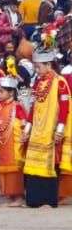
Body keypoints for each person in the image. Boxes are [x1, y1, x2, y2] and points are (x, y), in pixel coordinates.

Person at [22, 35, 69, 209]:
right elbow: (33, 107)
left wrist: (60, 129)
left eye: (38, 66)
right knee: (33, 163)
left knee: (50, 164)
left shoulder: (60, 83)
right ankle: (34, 200)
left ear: (49, 65)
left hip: (50, 129)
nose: (36, 69)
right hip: (36, 131)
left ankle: (48, 200)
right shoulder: (38, 83)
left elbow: (65, 108)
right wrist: (27, 128)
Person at [0, 77, 26, 206]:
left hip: (15, 143)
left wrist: (25, 136)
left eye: (2, 91)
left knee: (15, 169)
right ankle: (10, 195)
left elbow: (24, 123)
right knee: (4, 170)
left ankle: (18, 197)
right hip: (3, 144)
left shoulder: (17, 107)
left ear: (11, 93)